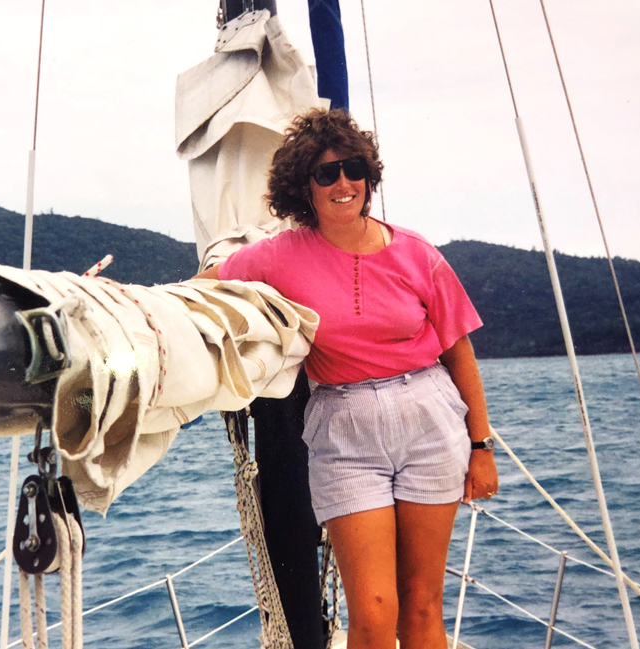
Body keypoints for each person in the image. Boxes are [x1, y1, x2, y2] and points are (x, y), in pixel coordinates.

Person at [195, 108, 498, 649]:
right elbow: (206, 284)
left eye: (354, 169)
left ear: (369, 177)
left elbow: (459, 351)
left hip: (430, 421)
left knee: (421, 607)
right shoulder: (281, 256)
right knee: (374, 614)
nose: (343, 184)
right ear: (303, 187)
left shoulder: (417, 254)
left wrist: (481, 447)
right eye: (326, 173)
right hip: (345, 431)